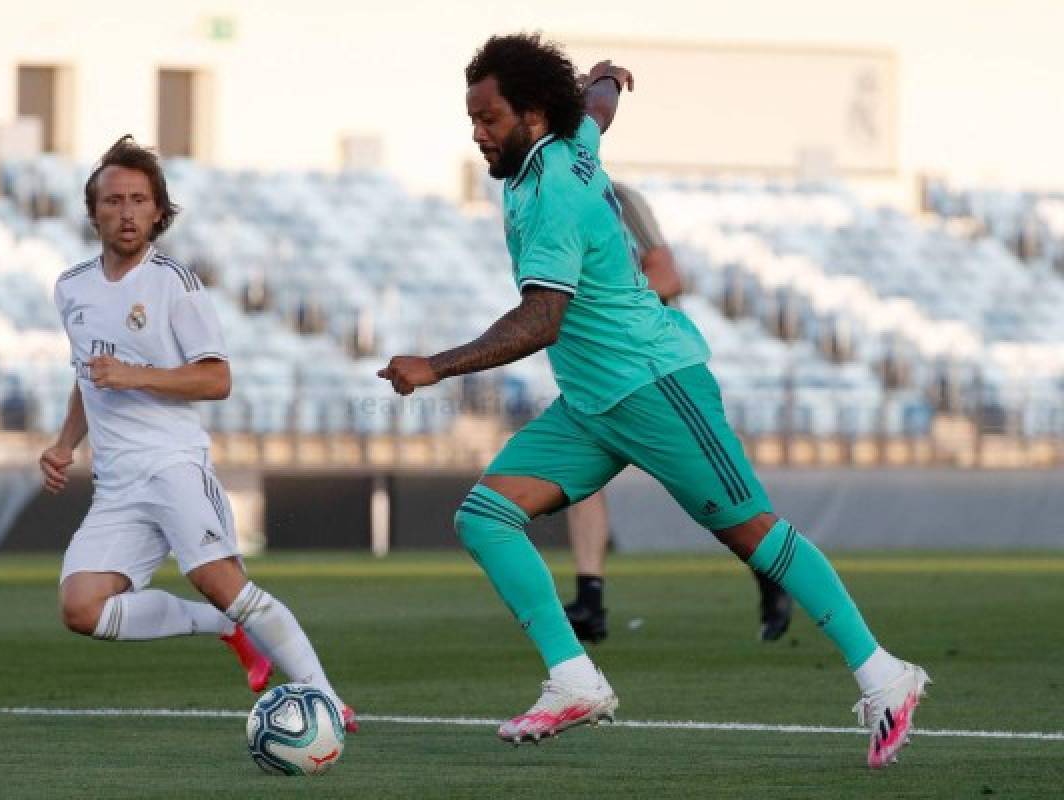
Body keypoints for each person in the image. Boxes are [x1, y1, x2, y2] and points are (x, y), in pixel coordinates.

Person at [378, 34, 926, 766]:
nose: (477, 132)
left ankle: (886, 676)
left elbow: (543, 319)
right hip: (594, 403)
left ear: (533, 115)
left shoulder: (552, 196)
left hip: (654, 383)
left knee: (751, 534)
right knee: (485, 515)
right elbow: (595, 113)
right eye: (472, 117)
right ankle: (575, 679)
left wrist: (437, 367)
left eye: (489, 118)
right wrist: (604, 78)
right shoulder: (568, 137)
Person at [41, 135, 355, 731]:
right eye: (113, 200)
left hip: (174, 467)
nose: (126, 211)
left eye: (139, 199)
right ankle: (226, 629)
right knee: (81, 607)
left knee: (224, 583)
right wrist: (64, 443)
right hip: (117, 484)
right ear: (94, 211)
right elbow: (88, 375)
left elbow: (217, 379)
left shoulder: (174, 284)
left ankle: (327, 700)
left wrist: (136, 374)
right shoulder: (71, 287)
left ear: (159, 211)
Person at [563, 181, 793, 645]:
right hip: (601, 370)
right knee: (578, 476)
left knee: (715, 496)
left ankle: (771, 570)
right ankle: (590, 598)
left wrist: (606, 310)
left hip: (654, 369)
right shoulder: (550, 198)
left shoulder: (617, 197)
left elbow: (668, 277)